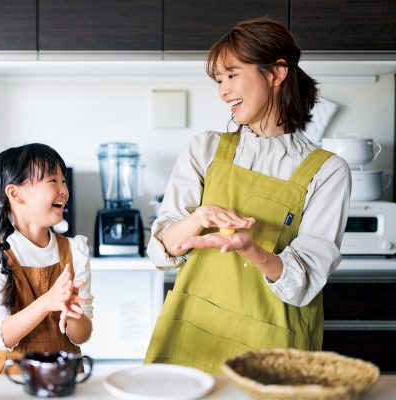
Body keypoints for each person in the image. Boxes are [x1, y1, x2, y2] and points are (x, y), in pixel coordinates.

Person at [144, 17, 351, 375]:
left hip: (272, 350)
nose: (223, 91)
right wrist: (198, 218)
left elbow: (304, 281)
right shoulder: (206, 149)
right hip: (193, 332)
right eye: (218, 80)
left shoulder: (327, 171)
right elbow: (163, 250)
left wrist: (252, 250)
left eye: (232, 75)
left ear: (276, 73)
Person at [0, 143, 93, 374]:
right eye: (52, 181)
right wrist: (48, 302)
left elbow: (81, 336)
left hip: (58, 380)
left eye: (63, 180)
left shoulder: (75, 249)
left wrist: (72, 312)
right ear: (15, 194)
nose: (64, 190)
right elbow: (0, 337)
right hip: (5, 382)